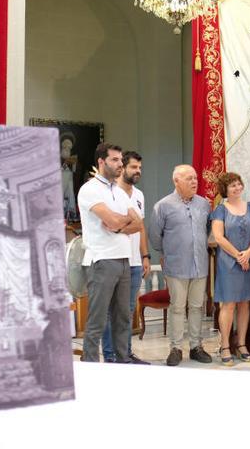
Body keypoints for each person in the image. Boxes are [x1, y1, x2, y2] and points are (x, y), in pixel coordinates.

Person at [77, 143, 142, 363]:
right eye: (115, 160)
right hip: (102, 260)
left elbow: (139, 223)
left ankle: (122, 361)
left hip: (124, 260)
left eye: (121, 160)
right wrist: (121, 221)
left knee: (123, 317)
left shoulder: (119, 192)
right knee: (98, 319)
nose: (120, 164)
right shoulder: (90, 189)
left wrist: (118, 225)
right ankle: (90, 365)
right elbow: (113, 220)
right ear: (101, 162)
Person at [149, 165, 213, 366]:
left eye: (195, 178)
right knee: (177, 307)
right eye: (189, 179)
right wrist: (166, 253)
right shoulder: (163, 206)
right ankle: (175, 348)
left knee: (196, 307)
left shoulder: (204, 204)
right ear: (176, 181)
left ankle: (196, 347)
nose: (195, 182)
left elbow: (208, 229)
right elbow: (154, 236)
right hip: (176, 265)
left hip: (200, 264)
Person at [101, 151, 151, 365]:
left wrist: (145, 255)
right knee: (111, 312)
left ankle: (126, 353)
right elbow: (110, 226)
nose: (137, 171)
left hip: (135, 263)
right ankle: (111, 355)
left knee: (128, 311)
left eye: (139, 168)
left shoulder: (139, 196)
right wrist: (123, 226)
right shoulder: (110, 193)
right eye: (133, 167)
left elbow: (140, 227)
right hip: (115, 259)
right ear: (123, 168)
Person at [210, 172, 250, 366]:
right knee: (229, 304)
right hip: (228, 263)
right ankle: (225, 345)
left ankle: (241, 344)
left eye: (239, 184)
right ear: (225, 190)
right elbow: (219, 237)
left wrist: (248, 252)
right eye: (232, 185)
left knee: (245, 303)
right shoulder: (220, 210)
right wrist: (238, 256)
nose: (237, 187)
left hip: (249, 260)